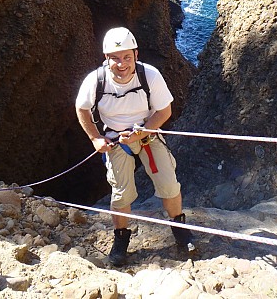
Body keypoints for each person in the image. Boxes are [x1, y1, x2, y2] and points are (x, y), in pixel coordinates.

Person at [75, 27, 194, 266]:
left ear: (136, 55)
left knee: (169, 185)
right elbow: (82, 109)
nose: (121, 64)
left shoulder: (149, 75)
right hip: (116, 140)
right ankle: (121, 239)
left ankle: (179, 229)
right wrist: (96, 139)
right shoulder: (96, 80)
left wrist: (144, 130)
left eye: (127, 57)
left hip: (147, 135)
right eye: (115, 58)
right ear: (106, 59)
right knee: (121, 193)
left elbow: (164, 111)